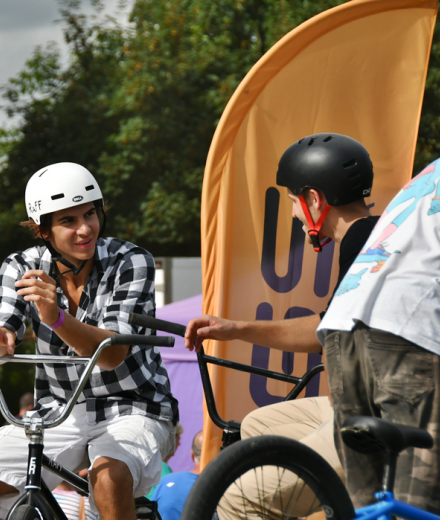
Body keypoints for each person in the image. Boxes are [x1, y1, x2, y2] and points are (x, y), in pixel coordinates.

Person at [0, 162, 178, 520]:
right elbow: (5, 322)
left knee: (108, 478)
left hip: (135, 407)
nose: (85, 229)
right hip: (59, 410)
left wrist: (55, 317)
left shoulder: (131, 261)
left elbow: (112, 354)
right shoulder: (20, 265)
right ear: (43, 230)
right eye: (68, 221)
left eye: (90, 214)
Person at [184, 133, 378, 519]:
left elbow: (326, 337)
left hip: (369, 417)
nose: (292, 213)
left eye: (293, 200)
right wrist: (235, 328)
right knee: (258, 424)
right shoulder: (369, 237)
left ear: (314, 200)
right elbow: (325, 330)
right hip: (358, 406)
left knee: (236, 499)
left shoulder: (361, 241)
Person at [317, 147, 440, 520]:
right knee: (427, 509)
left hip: (342, 328)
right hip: (413, 337)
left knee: (365, 507)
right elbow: (430, 328)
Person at [152, 430, 204, 520]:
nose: (179, 444)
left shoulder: (166, 479)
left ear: (192, 455)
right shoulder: (225, 488)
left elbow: (150, 512)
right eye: (177, 439)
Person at [145, 422, 183, 500]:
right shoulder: (160, 466)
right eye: (178, 439)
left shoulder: (149, 464)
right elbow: (171, 497)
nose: (179, 444)